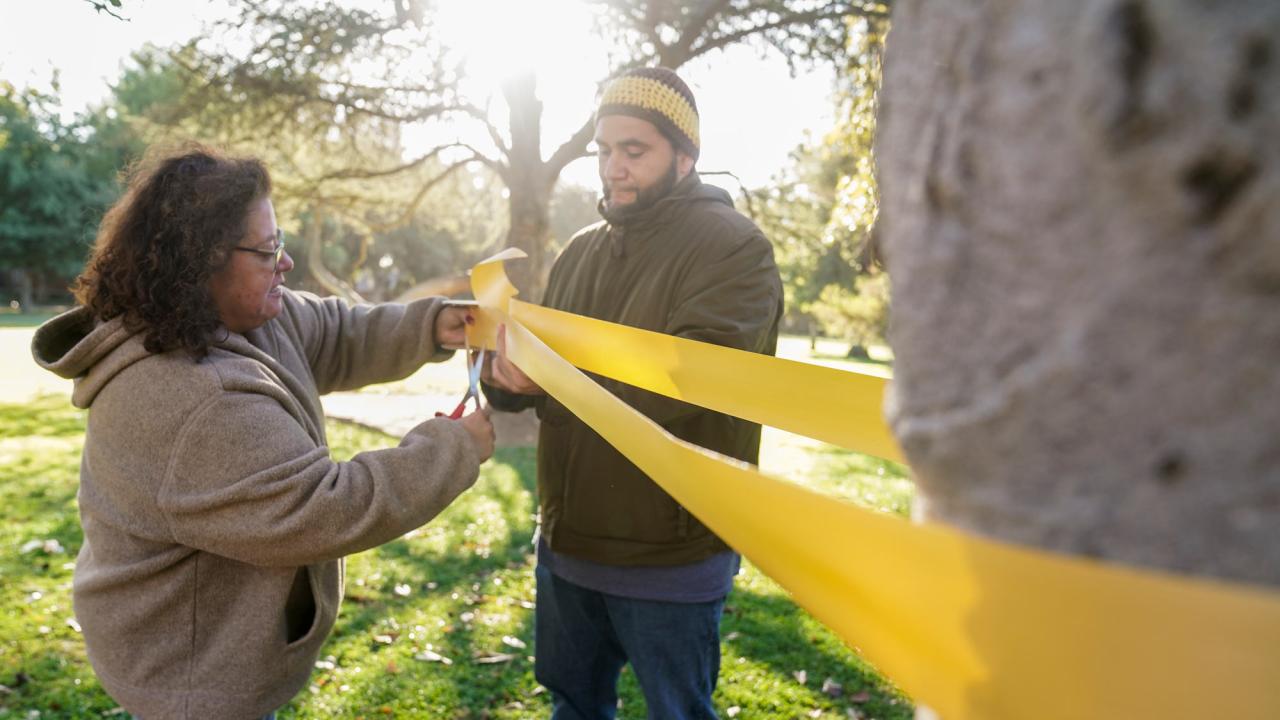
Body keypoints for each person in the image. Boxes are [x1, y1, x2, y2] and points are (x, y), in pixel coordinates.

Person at [30, 144, 494, 720]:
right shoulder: (191, 399)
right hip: (193, 678)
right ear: (200, 263)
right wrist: (455, 446)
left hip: (216, 649)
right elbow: (323, 508)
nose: (286, 262)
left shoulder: (238, 315)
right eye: (268, 249)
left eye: (282, 242)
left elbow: (333, 331)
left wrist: (433, 324)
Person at [483, 67, 783, 719]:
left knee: (678, 711)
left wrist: (552, 378)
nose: (613, 168)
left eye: (634, 150)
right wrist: (501, 376)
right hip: (567, 549)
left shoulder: (735, 249)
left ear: (685, 155)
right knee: (574, 707)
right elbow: (539, 380)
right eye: (603, 150)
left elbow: (694, 380)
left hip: (671, 554)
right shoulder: (580, 252)